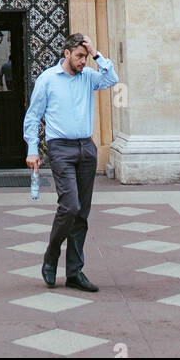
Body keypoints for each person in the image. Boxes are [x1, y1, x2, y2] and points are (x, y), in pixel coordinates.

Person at [23, 32, 118, 292]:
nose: (82, 62)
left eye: (85, 57)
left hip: (86, 148)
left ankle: (75, 272)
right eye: (79, 57)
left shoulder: (88, 76)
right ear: (66, 54)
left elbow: (112, 78)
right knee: (70, 205)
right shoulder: (48, 79)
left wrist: (97, 53)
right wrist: (33, 149)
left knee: (82, 214)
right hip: (61, 149)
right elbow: (33, 116)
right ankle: (52, 255)